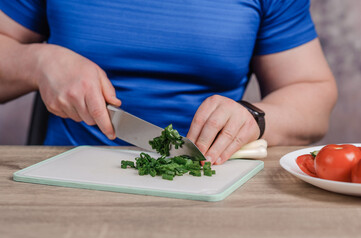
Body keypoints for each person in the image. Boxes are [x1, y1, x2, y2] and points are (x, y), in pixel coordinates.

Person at [0, 0, 337, 165]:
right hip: (67, 175)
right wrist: (38, 62)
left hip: (205, 176)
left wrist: (255, 116)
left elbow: (312, 90)